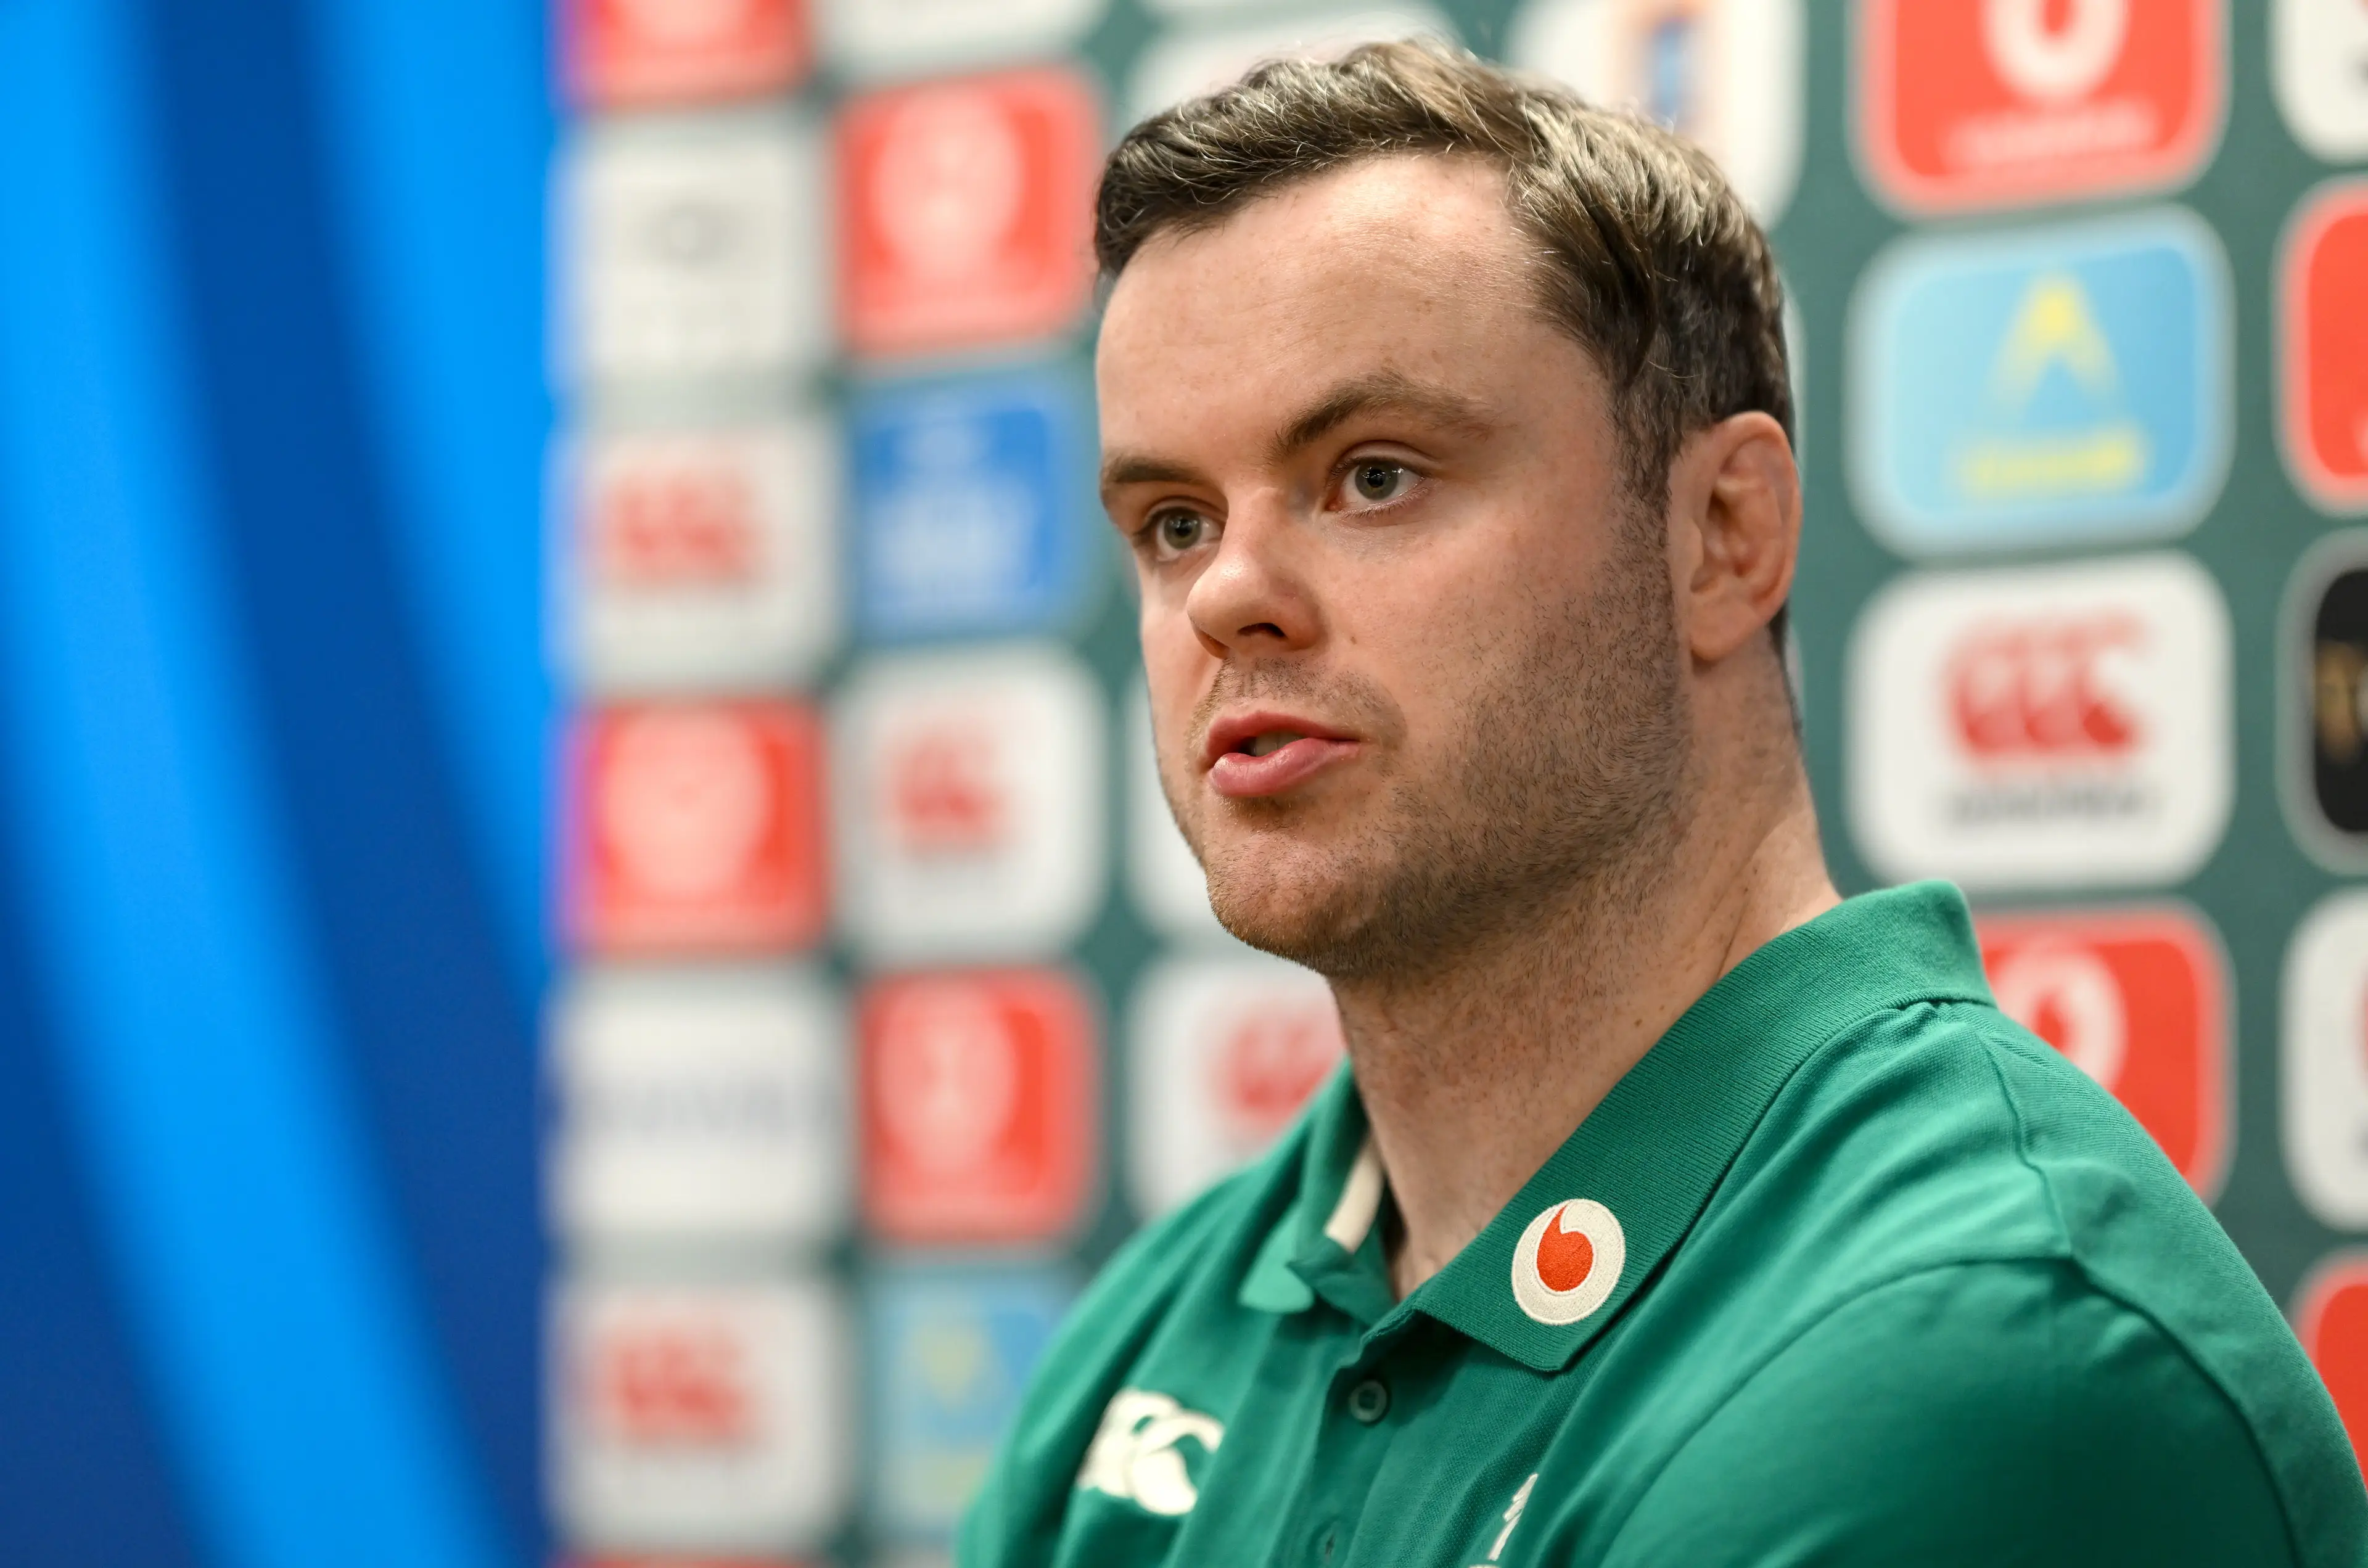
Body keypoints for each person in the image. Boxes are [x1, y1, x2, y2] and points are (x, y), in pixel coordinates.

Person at [958, 39, 2367, 1567]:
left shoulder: (1977, 1343)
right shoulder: (1158, 1330)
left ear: (1721, 535)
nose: (1228, 593)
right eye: (1173, 521)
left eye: (1374, 475)